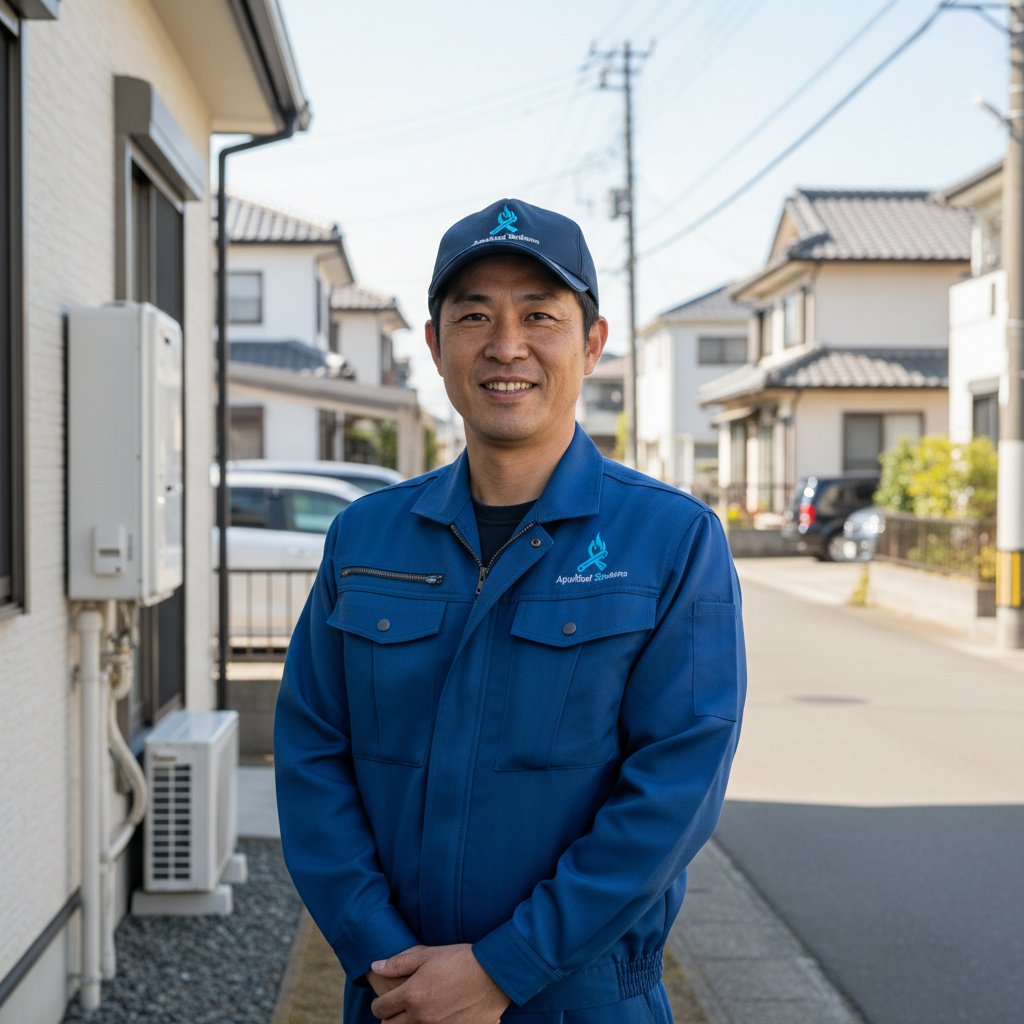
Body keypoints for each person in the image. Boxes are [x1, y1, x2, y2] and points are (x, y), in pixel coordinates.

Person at [274, 198, 745, 1024]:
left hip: (584, 1001)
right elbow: (312, 756)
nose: (506, 346)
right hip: (395, 999)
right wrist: (388, 962)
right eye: (475, 316)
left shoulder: (673, 541)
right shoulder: (363, 538)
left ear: (592, 344)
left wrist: (503, 968)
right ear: (435, 345)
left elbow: (675, 787)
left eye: (539, 315)